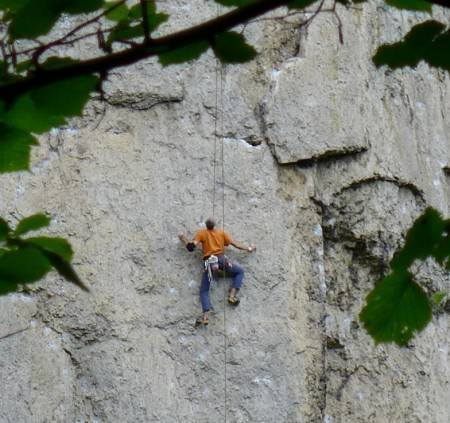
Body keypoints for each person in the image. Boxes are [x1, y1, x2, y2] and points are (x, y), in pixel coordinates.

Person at [179, 217, 255, 325]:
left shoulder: (202, 233)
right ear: (214, 225)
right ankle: (232, 296)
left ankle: (205, 317)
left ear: (206, 225)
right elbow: (236, 245)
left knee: (204, 290)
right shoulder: (221, 233)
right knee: (239, 271)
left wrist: (183, 238)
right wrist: (249, 248)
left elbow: (191, 247)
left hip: (209, 263)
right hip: (221, 260)